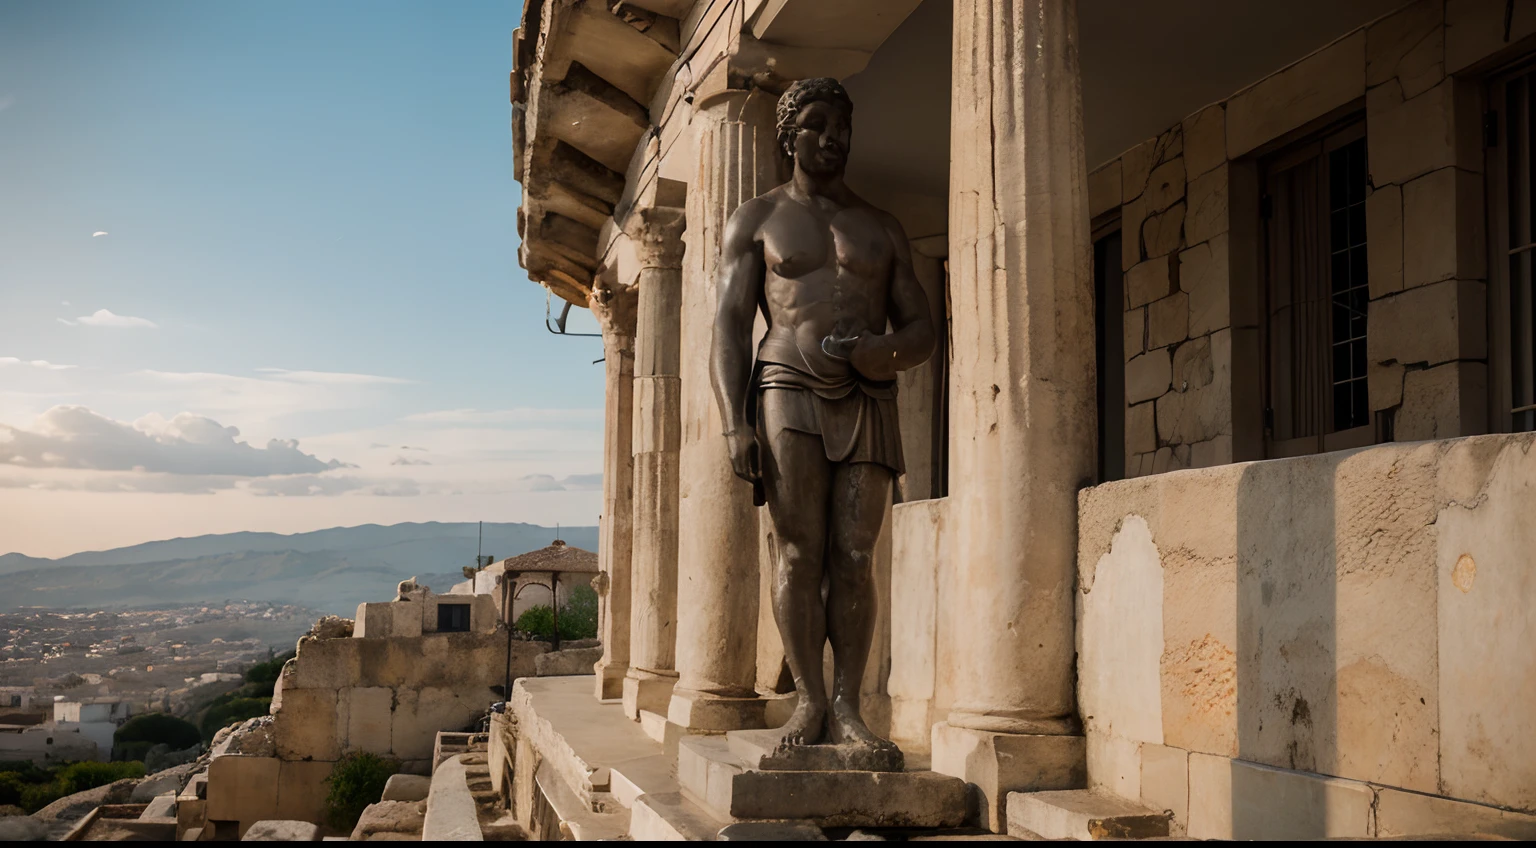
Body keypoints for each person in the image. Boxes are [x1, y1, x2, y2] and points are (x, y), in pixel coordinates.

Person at [709, 77, 935, 761]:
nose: (831, 136)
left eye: (840, 125)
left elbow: (924, 327)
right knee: (800, 551)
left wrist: (882, 351)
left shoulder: (882, 226)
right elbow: (727, 324)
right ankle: (808, 700)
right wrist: (733, 420)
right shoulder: (757, 219)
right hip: (785, 384)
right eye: (815, 124)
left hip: (868, 395)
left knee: (857, 555)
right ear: (789, 136)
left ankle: (849, 706)